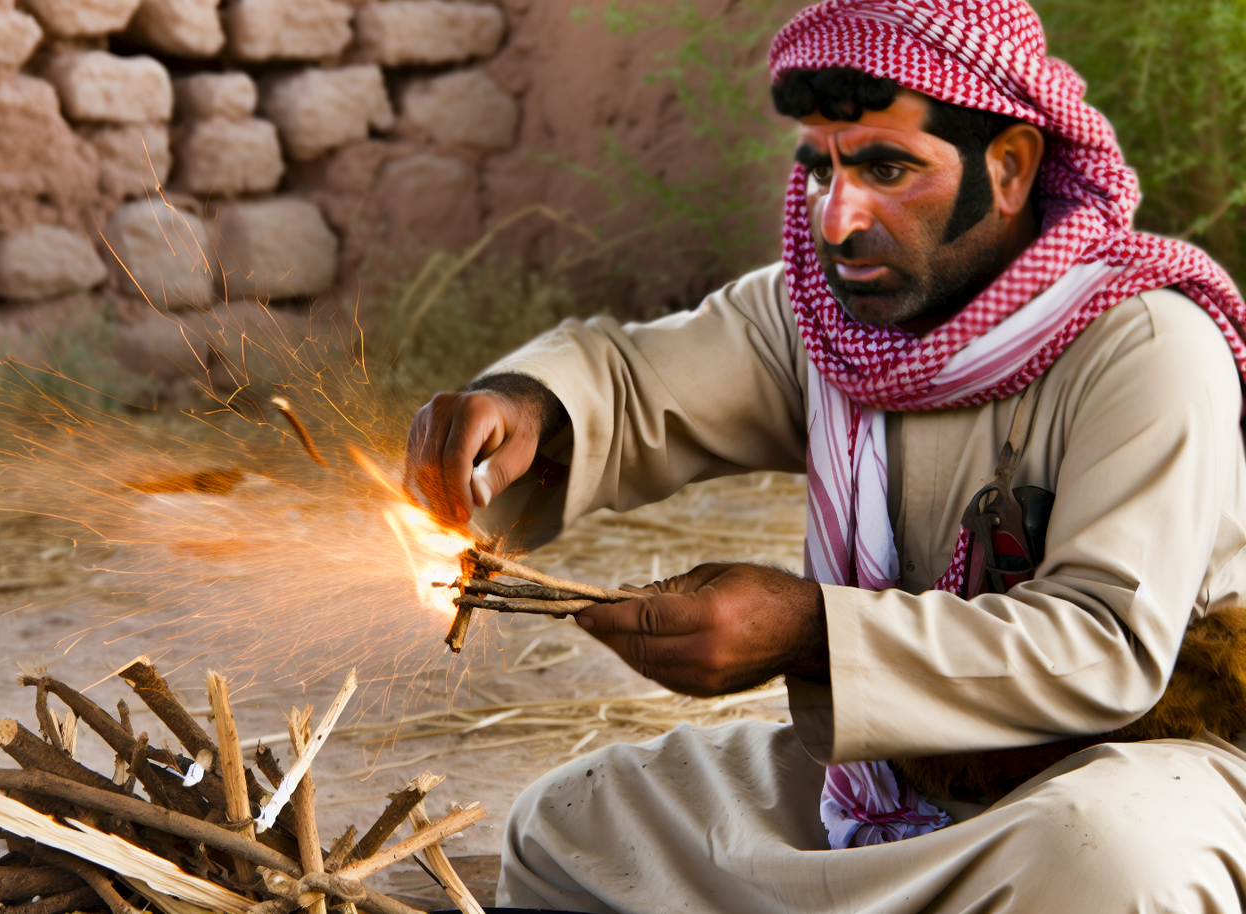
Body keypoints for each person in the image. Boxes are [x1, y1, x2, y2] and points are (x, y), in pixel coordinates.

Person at [403, 1, 1246, 911]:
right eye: (821, 169)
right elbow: (637, 383)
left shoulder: (1147, 343)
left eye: (888, 168)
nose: (839, 220)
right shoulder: (826, 320)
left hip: (1144, 770)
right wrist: (526, 405)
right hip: (892, 782)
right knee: (573, 823)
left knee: (1105, 865)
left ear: (1008, 169)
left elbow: (1106, 644)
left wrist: (810, 633)